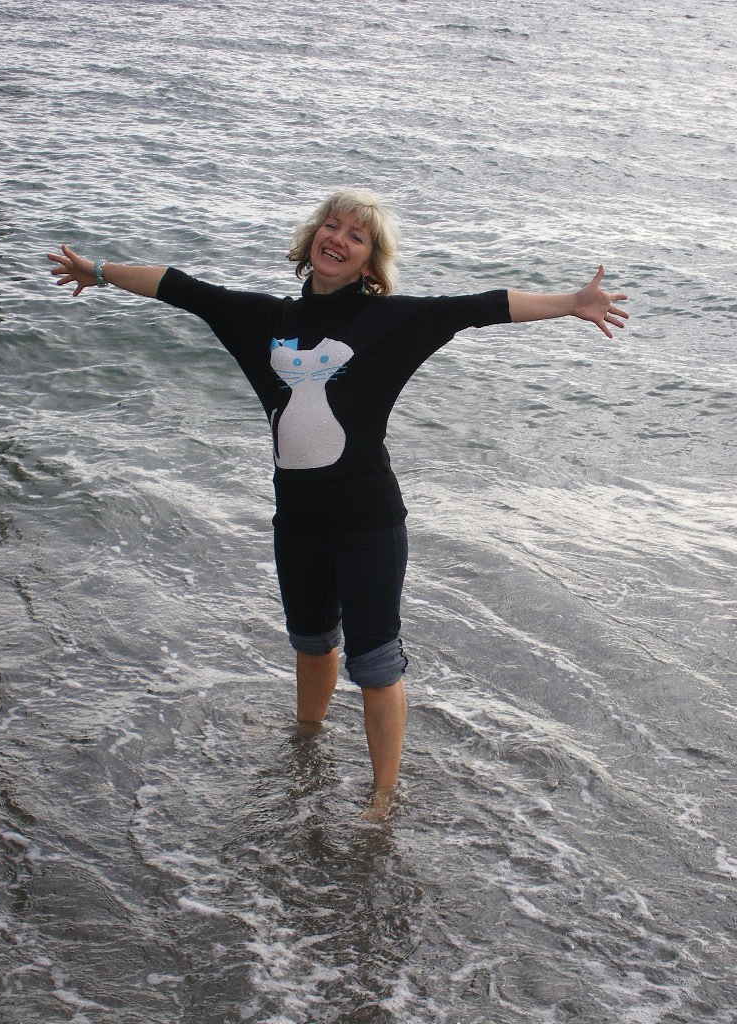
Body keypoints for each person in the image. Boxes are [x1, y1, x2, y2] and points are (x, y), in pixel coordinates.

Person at [47, 187, 629, 816]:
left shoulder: (387, 322)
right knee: (311, 641)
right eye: (332, 226)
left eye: (357, 236)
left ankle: (383, 795)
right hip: (297, 522)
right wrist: (98, 272)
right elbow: (181, 287)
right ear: (312, 238)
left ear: (369, 261)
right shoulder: (263, 320)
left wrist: (572, 302)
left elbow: (479, 307)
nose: (339, 239)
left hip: (368, 524)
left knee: (375, 661)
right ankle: (307, 738)